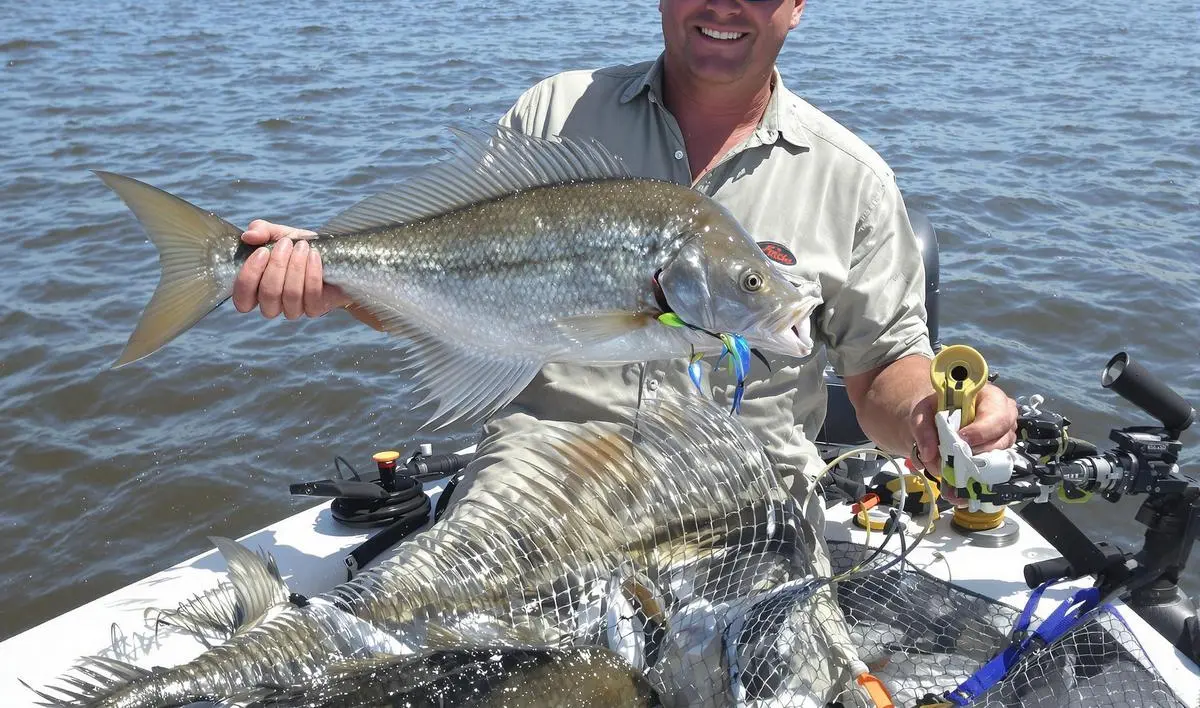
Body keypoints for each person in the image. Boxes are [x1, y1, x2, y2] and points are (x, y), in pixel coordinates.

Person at [232, 0, 1017, 699]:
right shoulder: (555, 114)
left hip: (747, 506)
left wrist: (935, 413)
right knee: (394, 667)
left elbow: (881, 370)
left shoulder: (854, 181)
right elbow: (461, 304)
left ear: (799, 6)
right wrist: (338, 283)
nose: (725, 5)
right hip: (543, 478)